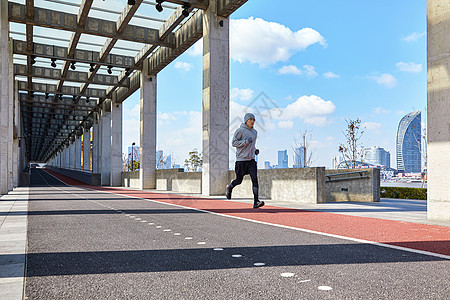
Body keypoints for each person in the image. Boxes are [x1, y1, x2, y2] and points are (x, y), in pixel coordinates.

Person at [226, 113, 265, 209]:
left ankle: (256, 202)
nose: (252, 121)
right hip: (241, 160)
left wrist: (255, 150)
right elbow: (234, 143)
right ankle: (230, 187)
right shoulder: (240, 130)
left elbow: (251, 145)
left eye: (253, 120)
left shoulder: (255, 132)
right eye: (250, 119)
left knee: (255, 179)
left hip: (251, 160)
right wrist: (246, 142)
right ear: (246, 121)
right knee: (239, 180)